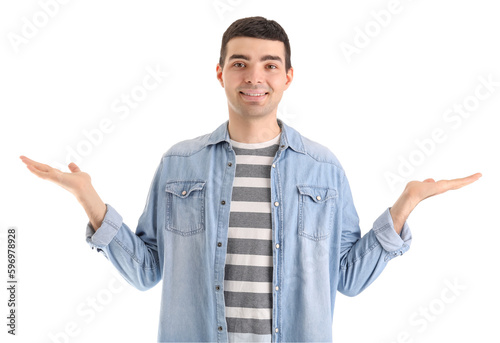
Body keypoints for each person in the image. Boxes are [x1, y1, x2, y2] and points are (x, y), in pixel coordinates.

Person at [20, 16, 481, 343]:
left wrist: (403, 208)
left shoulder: (323, 168)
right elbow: (146, 272)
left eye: (269, 64)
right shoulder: (179, 163)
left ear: (288, 77)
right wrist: (89, 200)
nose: (254, 76)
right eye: (240, 63)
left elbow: (348, 279)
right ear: (221, 74)